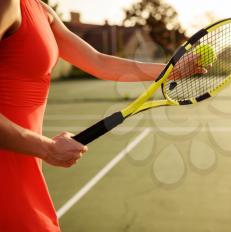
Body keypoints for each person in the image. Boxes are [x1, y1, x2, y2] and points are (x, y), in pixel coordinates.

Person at [0, 0, 206, 231]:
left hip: (24, 173)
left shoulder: (40, 10)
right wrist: (46, 148)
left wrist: (170, 70)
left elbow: (98, 62)